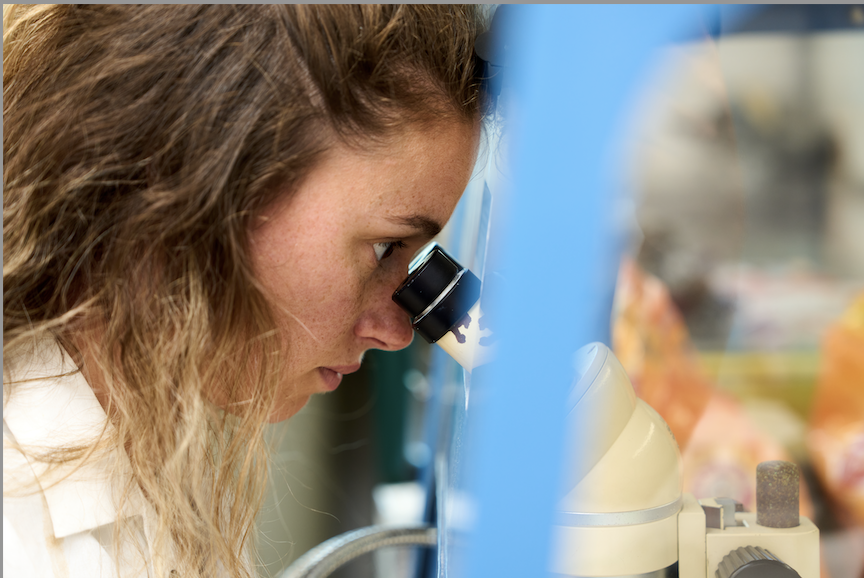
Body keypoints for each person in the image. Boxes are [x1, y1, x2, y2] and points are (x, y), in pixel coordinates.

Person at [2, 5, 488, 577]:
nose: (400, 330)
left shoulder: (130, 440)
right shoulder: (20, 535)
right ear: (197, 182)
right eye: (386, 249)